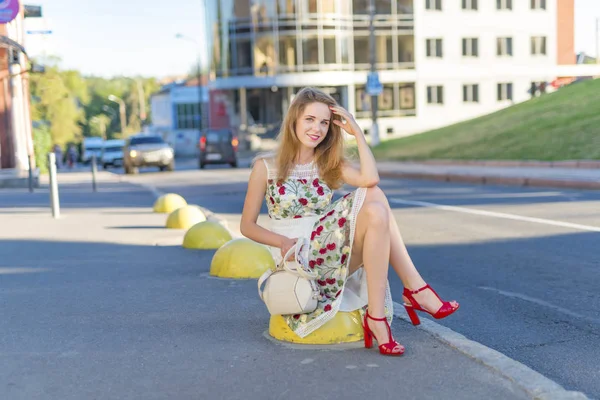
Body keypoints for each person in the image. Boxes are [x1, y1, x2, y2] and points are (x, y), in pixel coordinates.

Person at [241, 87, 459, 356]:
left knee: (374, 198)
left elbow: (371, 179)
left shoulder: (328, 163)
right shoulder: (265, 166)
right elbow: (247, 226)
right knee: (374, 199)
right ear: (294, 120)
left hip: (328, 248)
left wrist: (356, 131)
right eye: (310, 119)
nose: (317, 129)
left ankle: (380, 314)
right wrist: (282, 241)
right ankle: (413, 291)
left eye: (324, 122)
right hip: (297, 258)